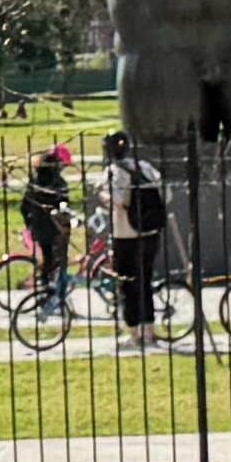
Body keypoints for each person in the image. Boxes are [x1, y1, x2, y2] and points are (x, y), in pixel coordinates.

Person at [99, 131, 163, 350]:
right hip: (150, 232)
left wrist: (105, 197)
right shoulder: (145, 167)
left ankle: (134, 332)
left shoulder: (112, 172)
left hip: (125, 234)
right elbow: (165, 194)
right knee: (146, 281)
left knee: (128, 284)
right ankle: (149, 330)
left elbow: (117, 199)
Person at [19, 146, 74, 315]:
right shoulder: (59, 184)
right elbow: (64, 207)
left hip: (40, 228)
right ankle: (57, 296)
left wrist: (30, 224)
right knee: (60, 264)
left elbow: (24, 207)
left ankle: (45, 292)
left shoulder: (34, 182)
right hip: (57, 229)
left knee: (48, 261)